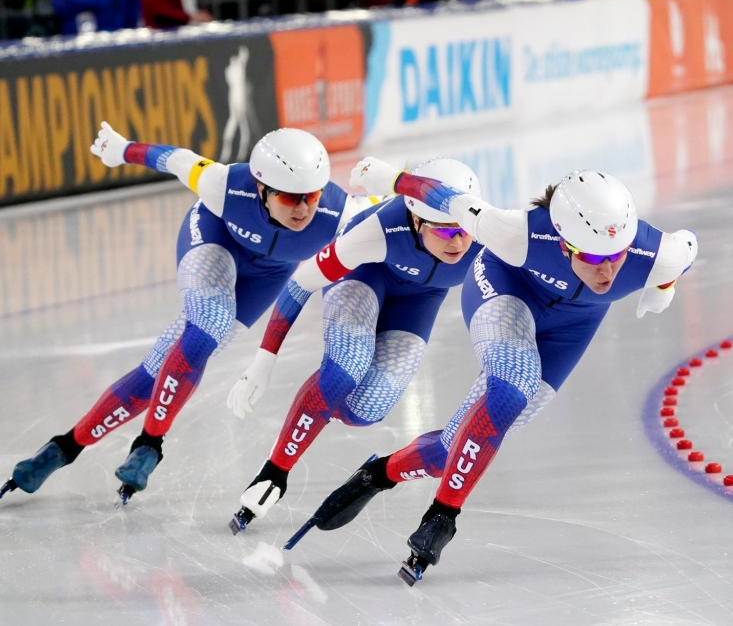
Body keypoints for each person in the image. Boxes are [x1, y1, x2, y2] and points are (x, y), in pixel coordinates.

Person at [297, 158, 698, 584]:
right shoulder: (515, 232)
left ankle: (379, 474)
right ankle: (442, 517)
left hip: (573, 327)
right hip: (506, 289)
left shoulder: (658, 253)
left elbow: (686, 247)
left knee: (458, 446)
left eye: (617, 256)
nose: (608, 270)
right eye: (594, 256)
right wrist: (392, 180)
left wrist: (664, 284)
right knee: (512, 387)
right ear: (563, 243)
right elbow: (448, 201)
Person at [0, 123, 378, 505]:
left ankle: (65, 447)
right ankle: (150, 443)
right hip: (215, 241)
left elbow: (392, 224)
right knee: (208, 323)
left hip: (268, 275)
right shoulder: (223, 184)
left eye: (311, 195)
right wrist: (122, 149)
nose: (303, 209)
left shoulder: (344, 211)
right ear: (262, 190)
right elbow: (178, 159)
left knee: (160, 370)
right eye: (289, 198)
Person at [226, 158, 484, 533]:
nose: (458, 242)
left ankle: (315, 407)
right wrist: (264, 360)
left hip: (420, 299)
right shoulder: (376, 232)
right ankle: (275, 470)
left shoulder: (486, 230)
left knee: (368, 409)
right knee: (345, 366)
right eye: (444, 233)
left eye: (464, 230)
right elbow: (300, 284)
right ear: (415, 221)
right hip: (363, 274)